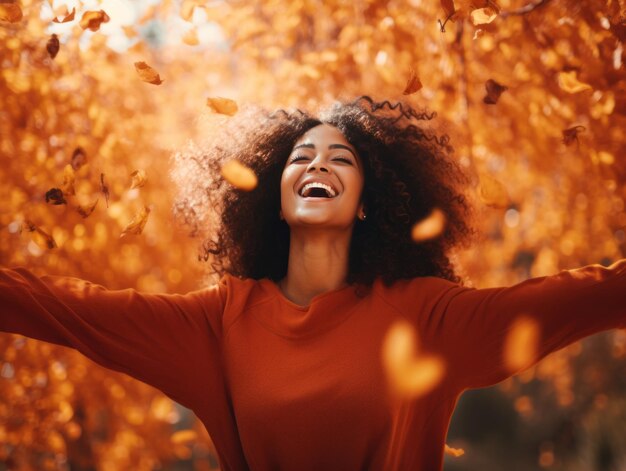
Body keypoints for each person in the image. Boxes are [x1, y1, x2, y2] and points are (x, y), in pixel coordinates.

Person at [1, 97, 624, 471]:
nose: (317, 163)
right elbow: (65, 308)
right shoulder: (219, 323)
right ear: (275, 200)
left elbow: (587, 293)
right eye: (301, 157)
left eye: (340, 158)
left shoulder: (426, 317)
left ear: (364, 205)